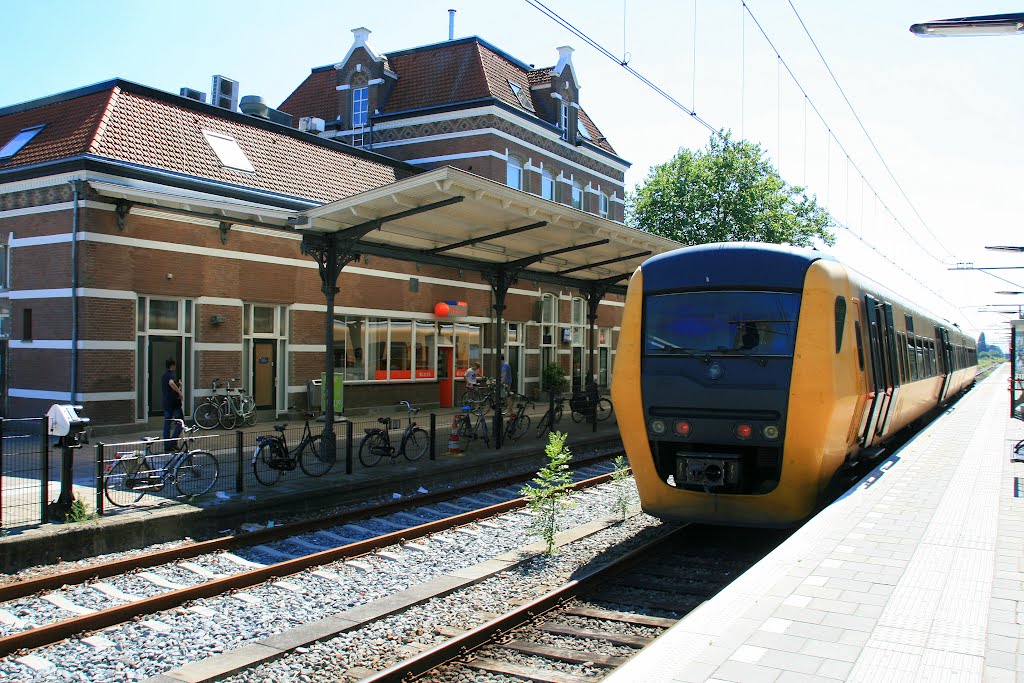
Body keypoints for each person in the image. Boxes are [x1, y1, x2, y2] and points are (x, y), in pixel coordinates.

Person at [161, 358, 184, 449]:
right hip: (174, 403)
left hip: (166, 402)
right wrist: (179, 392)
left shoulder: (164, 376)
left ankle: (166, 445)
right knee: (180, 422)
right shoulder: (171, 375)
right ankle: (173, 442)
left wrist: (179, 386)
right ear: (172, 365)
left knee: (167, 423)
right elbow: (171, 383)